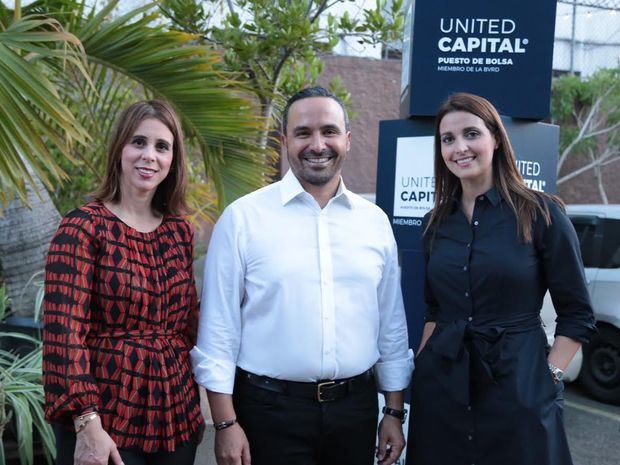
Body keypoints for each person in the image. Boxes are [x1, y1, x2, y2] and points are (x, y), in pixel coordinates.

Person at [190, 86, 413, 465]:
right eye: (303, 133)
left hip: (355, 412)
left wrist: (392, 413)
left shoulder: (374, 223)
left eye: (328, 131)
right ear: (284, 141)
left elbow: (391, 325)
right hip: (268, 413)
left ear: (347, 140)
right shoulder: (244, 219)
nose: (317, 144)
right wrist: (226, 424)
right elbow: (218, 331)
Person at [408, 92, 596, 465]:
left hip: (519, 388)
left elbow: (577, 314)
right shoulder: (435, 224)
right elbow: (434, 309)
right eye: (448, 139)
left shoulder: (541, 214)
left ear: (495, 138)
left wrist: (548, 380)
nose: (460, 147)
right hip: (443, 391)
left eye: (471, 134)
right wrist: (424, 368)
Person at [43, 100, 204, 465]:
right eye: (139, 142)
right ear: (119, 149)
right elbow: (63, 334)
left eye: (162, 146)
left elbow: (188, 328)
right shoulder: (83, 227)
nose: (149, 156)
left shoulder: (179, 232)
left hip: (174, 414)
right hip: (106, 418)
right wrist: (87, 422)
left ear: (173, 160)